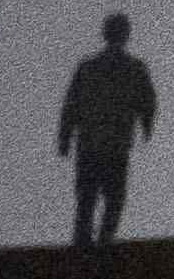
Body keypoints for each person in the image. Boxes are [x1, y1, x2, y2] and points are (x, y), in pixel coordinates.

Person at [57, 14, 157, 248]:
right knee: (114, 197)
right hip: (116, 144)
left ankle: (84, 243)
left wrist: (65, 137)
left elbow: (71, 105)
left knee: (87, 196)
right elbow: (148, 102)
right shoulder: (135, 68)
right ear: (126, 35)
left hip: (90, 144)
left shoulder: (88, 67)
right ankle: (104, 240)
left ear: (105, 34)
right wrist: (146, 125)